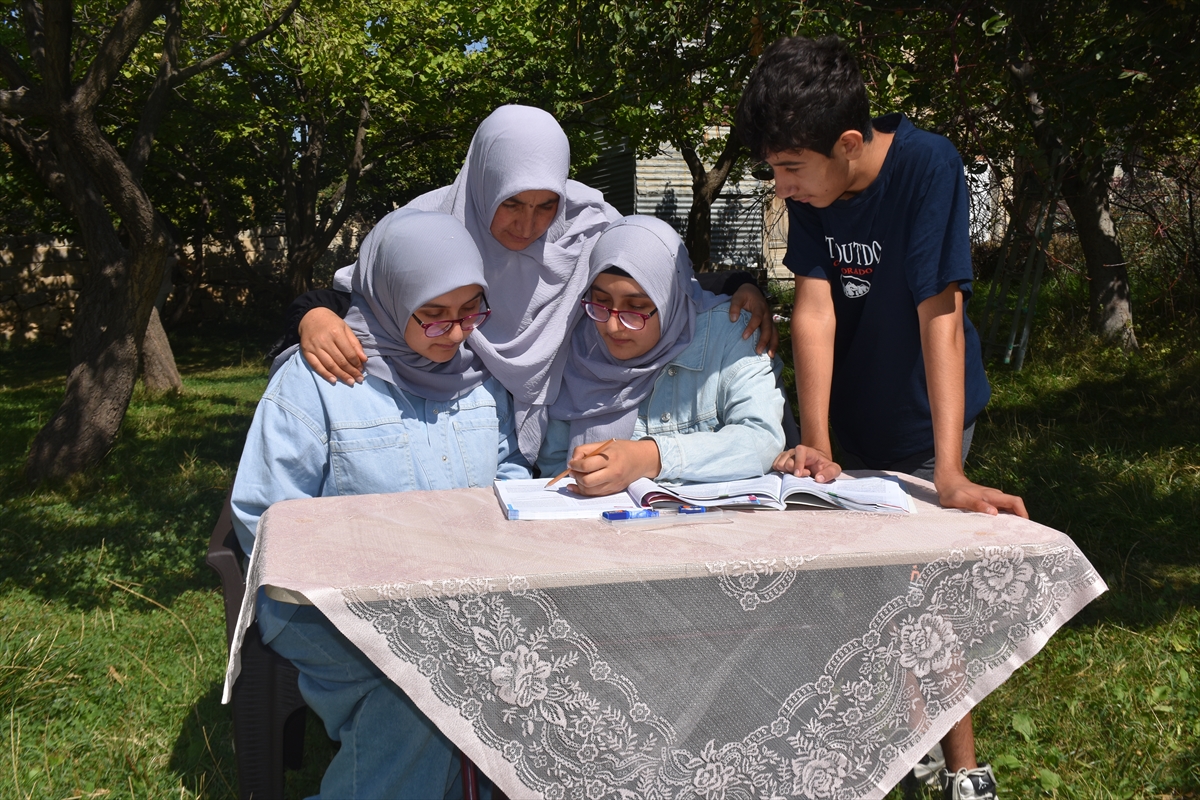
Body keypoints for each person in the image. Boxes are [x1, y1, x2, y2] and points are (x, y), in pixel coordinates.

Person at [736, 34, 1028, 800]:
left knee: (926, 586)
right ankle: (912, 740)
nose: (782, 186)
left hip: (927, 413)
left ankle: (965, 771)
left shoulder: (929, 165)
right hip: (849, 412)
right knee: (874, 585)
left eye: (790, 169)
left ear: (849, 144)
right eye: (773, 170)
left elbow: (941, 310)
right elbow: (814, 307)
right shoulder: (813, 191)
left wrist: (951, 472)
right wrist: (818, 441)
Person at [285, 105, 781, 463]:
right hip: (460, 415)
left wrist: (742, 284)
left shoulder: (585, 225)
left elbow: (652, 274)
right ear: (483, 183)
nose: (529, 226)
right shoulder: (434, 224)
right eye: (511, 204)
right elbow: (373, 292)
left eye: (546, 204)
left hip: (552, 425)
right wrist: (312, 313)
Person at [231, 209, 529, 799]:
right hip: (321, 602)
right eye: (434, 315)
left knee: (536, 673)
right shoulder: (318, 378)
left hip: (463, 592)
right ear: (391, 298)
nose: (457, 332)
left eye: (471, 311)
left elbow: (510, 473)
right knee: (415, 691)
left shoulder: (480, 379)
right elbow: (265, 515)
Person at [538, 216, 785, 493]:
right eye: (601, 302)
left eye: (636, 307)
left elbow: (762, 439)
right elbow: (556, 464)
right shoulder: (582, 344)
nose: (611, 326)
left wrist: (650, 458)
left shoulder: (729, 334)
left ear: (671, 299)